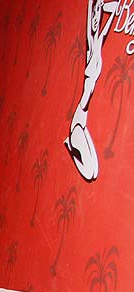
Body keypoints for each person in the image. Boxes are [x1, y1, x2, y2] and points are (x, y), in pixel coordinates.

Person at [64, 0, 118, 181]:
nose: (95, 19)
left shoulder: (98, 42)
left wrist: (107, 12)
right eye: (93, 15)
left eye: (98, 15)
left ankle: (70, 146)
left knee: (92, 172)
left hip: (82, 118)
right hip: (79, 118)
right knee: (92, 172)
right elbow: (92, 28)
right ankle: (71, 146)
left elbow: (104, 28)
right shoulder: (91, 45)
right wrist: (96, 9)